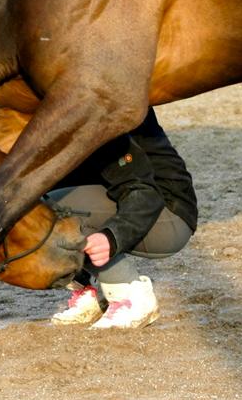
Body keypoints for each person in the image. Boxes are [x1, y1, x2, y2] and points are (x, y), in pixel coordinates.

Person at [44, 107, 197, 329]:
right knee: (39, 204)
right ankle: (91, 292)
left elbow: (145, 192)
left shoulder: (104, 109)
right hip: (125, 202)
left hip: (167, 215)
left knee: (53, 209)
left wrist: (111, 237)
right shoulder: (59, 111)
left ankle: (129, 295)